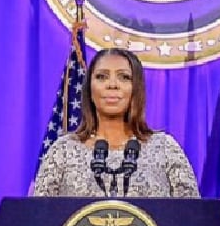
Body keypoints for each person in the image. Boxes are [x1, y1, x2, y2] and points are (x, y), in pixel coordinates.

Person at [32, 48, 200, 198]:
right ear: (89, 89)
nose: (112, 85)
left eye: (124, 77)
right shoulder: (63, 150)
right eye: (101, 77)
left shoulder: (165, 148)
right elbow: (39, 220)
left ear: (136, 89)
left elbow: (191, 220)